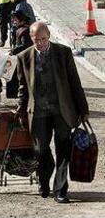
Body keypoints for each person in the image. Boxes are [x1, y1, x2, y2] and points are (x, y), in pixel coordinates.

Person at [16, 21, 89, 204]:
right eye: (36, 40)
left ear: (49, 36)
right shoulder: (24, 57)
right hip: (39, 112)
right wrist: (20, 110)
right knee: (40, 151)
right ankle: (44, 181)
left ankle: (61, 189)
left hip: (61, 110)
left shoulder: (63, 53)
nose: (40, 43)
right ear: (31, 39)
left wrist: (83, 109)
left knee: (63, 150)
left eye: (43, 39)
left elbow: (74, 82)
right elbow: (23, 88)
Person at [5, 10, 32, 99]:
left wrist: (13, 51)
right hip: (19, 57)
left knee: (10, 71)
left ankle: (15, 93)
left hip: (24, 58)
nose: (13, 22)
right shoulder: (21, 29)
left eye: (15, 20)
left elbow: (25, 45)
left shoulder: (24, 31)